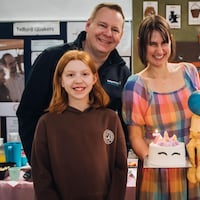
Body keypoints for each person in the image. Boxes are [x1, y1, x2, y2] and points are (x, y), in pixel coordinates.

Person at [16, 3, 131, 168]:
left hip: (99, 170)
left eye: (115, 29)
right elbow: (28, 114)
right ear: (88, 25)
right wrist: (40, 165)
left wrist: (116, 164)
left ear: (121, 36)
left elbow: (123, 128)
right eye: (102, 25)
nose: (107, 33)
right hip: (56, 166)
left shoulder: (122, 73)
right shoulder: (52, 59)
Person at [122, 14, 200, 200]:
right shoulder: (135, 85)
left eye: (164, 43)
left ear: (171, 42)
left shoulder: (189, 71)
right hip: (158, 177)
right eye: (153, 44)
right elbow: (135, 137)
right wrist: (156, 162)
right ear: (142, 45)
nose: (159, 50)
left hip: (194, 171)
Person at [31, 50, 128, 199]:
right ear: (61, 81)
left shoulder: (110, 119)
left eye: (85, 74)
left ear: (94, 78)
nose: (78, 80)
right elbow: (41, 175)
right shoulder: (47, 123)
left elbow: (120, 169)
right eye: (70, 75)